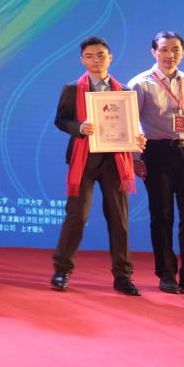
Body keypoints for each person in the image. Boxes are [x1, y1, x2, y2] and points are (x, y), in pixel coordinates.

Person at [50, 36, 145, 296]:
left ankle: (123, 276)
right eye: (89, 56)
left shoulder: (123, 90)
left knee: (119, 219)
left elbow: (131, 125)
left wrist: (137, 138)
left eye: (101, 55)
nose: (96, 60)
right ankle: (62, 271)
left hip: (116, 161)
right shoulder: (72, 89)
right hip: (83, 160)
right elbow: (60, 120)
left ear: (110, 57)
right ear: (82, 60)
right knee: (77, 217)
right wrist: (79, 128)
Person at [128, 31, 184, 297]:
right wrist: (135, 158)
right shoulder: (140, 83)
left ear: (183, 52)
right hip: (157, 154)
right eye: (164, 49)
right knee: (162, 216)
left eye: (176, 49)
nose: (170, 55)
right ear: (153, 52)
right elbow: (131, 125)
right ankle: (167, 275)